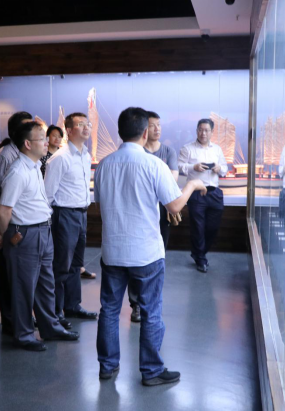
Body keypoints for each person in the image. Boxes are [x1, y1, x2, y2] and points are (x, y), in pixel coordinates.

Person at [94, 107, 206, 386]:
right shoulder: (154, 165)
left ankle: (107, 366)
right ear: (145, 133)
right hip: (146, 253)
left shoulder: (104, 164)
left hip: (113, 250)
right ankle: (151, 371)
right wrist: (192, 185)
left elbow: (99, 203)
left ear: (120, 132)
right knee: (151, 312)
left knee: (109, 309)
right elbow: (175, 206)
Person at [0, 121, 79, 351]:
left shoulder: (35, 166)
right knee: (23, 288)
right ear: (27, 144)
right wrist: (4, 235)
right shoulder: (18, 171)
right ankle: (23, 335)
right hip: (25, 234)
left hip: (43, 230)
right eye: (41, 138)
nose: (46, 142)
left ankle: (49, 327)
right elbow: (4, 210)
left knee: (46, 284)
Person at [0, 111, 33, 335]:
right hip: (9, 222)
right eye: (26, 127)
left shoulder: (25, 155)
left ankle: (21, 317)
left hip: (23, 222)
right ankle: (10, 320)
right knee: (8, 272)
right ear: (14, 132)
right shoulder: (5, 156)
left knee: (21, 273)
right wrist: (0, 215)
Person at [45, 112, 98, 322]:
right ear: (69, 130)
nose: (87, 127)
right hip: (64, 215)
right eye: (81, 124)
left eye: (88, 124)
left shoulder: (85, 155)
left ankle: (72, 306)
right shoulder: (60, 157)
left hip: (81, 214)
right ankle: (55, 313)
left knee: (76, 264)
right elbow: (48, 194)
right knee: (61, 266)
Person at [127, 110, 179, 323]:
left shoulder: (168, 151)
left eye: (159, 125)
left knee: (157, 255)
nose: (157, 129)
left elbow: (172, 180)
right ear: (143, 129)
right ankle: (136, 304)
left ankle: (149, 300)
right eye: (152, 125)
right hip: (138, 210)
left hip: (162, 211)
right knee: (135, 258)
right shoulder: (135, 152)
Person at [178, 118, 228, 273]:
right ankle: (201, 258)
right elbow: (179, 166)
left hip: (214, 193)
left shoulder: (217, 149)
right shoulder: (187, 148)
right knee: (198, 227)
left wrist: (219, 168)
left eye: (206, 130)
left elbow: (225, 169)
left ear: (212, 132)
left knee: (213, 228)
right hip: (196, 193)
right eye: (200, 130)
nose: (203, 133)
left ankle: (199, 253)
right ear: (196, 131)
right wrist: (193, 167)